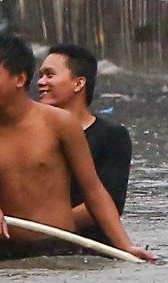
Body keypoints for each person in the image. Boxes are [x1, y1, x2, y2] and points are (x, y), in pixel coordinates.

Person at [0, 36, 153, 261]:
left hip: (59, 248)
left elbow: (94, 190)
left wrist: (126, 246)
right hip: (4, 250)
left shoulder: (60, 123)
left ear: (20, 79)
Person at [36, 43, 132, 242]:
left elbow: (110, 201)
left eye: (50, 75)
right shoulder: (30, 133)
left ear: (79, 83)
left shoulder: (112, 137)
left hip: (88, 248)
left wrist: (45, 227)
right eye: (40, 76)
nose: (41, 82)